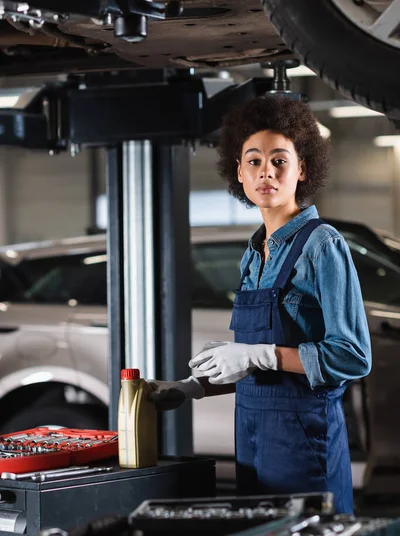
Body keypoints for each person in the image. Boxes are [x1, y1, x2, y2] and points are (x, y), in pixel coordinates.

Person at [148, 95, 372, 514]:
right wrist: (194, 386)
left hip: (305, 443)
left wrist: (258, 353)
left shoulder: (323, 245)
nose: (265, 170)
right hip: (251, 441)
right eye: (253, 160)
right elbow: (257, 369)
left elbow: (352, 356)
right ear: (238, 171)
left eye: (279, 160)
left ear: (302, 168)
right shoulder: (254, 253)